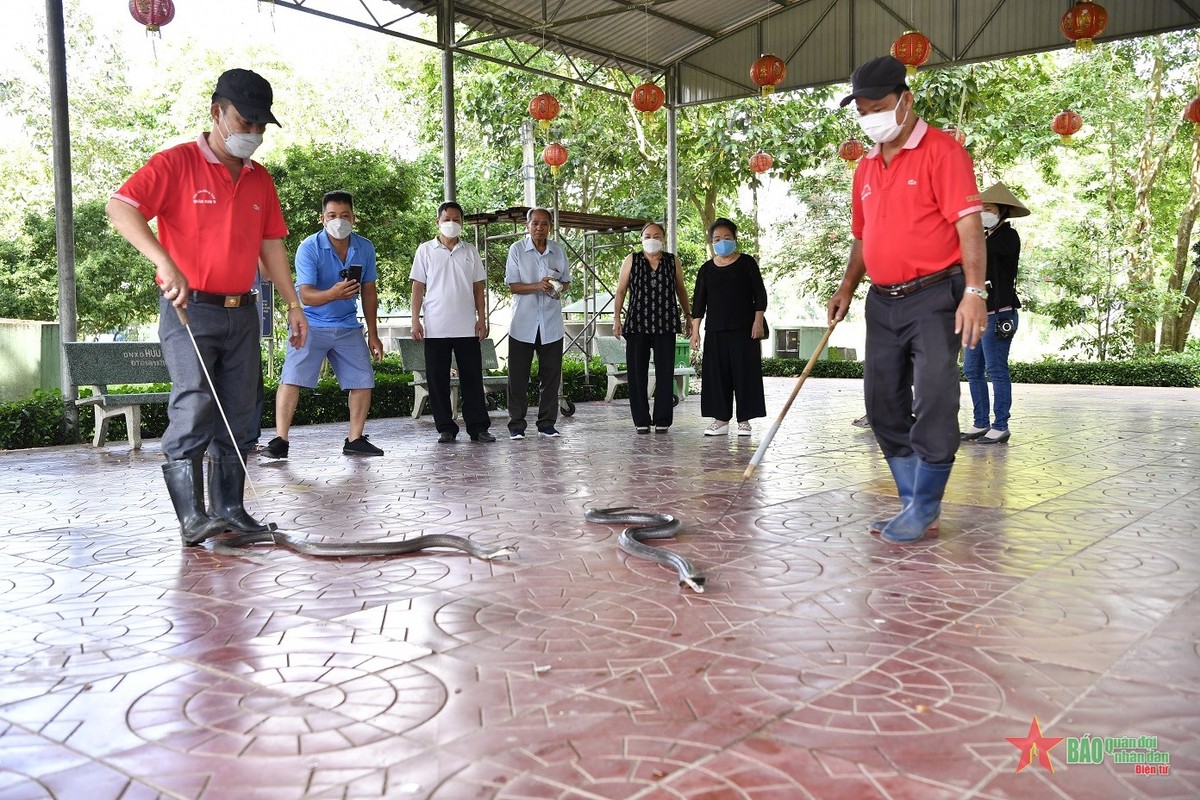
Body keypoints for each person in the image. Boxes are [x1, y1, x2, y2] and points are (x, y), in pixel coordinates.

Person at [106, 68, 308, 546]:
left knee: (241, 410)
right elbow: (120, 206)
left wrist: (293, 304)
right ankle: (192, 518)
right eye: (245, 121)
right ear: (216, 113)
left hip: (243, 311)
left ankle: (231, 510)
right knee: (196, 401)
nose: (252, 134)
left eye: (261, 127)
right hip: (189, 308)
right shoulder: (175, 163)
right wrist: (163, 260)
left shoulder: (260, 179)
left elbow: (272, 244)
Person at [826, 55, 987, 544]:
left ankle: (923, 507)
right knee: (881, 404)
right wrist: (847, 286)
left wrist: (976, 292)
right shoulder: (866, 168)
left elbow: (969, 227)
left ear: (905, 100)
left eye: (878, 107)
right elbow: (862, 237)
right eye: (862, 110)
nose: (870, 118)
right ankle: (914, 503)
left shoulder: (943, 152)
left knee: (936, 396)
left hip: (936, 293)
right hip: (882, 299)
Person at [267, 191, 385, 459]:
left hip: (347, 325)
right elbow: (305, 294)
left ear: (353, 218)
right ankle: (280, 440)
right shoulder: (309, 247)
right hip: (311, 324)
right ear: (322, 218)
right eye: (332, 216)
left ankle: (355, 439)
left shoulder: (364, 247)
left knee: (363, 380)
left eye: (345, 216)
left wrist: (374, 335)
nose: (339, 221)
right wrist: (333, 293)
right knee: (292, 379)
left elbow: (369, 292)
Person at [410, 201, 495, 443]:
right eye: (447, 219)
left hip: (467, 326)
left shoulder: (470, 251)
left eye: (456, 219)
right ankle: (445, 428)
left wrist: (482, 319)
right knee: (438, 381)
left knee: (472, 379)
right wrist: (415, 320)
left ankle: (478, 427)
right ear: (437, 221)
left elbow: (478, 288)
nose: (451, 223)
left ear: (462, 223)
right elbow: (418, 287)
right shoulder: (425, 250)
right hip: (435, 327)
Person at [962, 182, 1028, 445]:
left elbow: (983, 255)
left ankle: (1000, 425)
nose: (982, 214)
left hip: (999, 314)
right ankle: (980, 422)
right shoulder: (982, 237)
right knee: (971, 368)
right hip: (978, 314)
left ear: (1001, 211)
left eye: (987, 209)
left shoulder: (1007, 238)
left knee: (995, 369)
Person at [689, 218, 767, 437]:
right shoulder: (706, 269)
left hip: (745, 329)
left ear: (734, 239)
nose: (722, 242)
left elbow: (759, 295)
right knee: (717, 376)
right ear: (712, 242)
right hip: (715, 331)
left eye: (726, 238)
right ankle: (720, 420)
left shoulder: (747, 263)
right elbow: (699, 303)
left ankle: (744, 420)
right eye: (717, 239)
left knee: (745, 374)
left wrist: (758, 321)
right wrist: (695, 331)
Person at [612, 222, 692, 434]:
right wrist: (617, 318)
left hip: (666, 322)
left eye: (656, 235)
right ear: (641, 238)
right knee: (637, 373)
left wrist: (688, 315)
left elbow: (681, 290)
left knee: (665, 372)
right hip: (637, 323)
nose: (652, 239)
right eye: (647, 235)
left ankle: (663, 418)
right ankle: (641, 419)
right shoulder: (632, 259)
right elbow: (620, 291)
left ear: (663, 238)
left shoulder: (672, 261)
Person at [505, 207, 571, 439]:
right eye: (535, 223)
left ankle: (546, 424)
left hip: (551, 325)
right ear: (527, 225)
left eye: (544, 223)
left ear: (550, 226)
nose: (539, 228)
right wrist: (537, 285)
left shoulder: (558, 251)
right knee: (518, 377)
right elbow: (513, 285)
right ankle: (516, 425)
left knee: (551, 377)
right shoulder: (517, 250)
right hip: (523, 324)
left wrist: (557, 286)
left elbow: (566, 282)